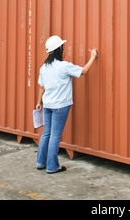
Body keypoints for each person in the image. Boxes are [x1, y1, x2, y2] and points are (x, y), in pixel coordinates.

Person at [36, 35, 98, 173]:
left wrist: (39, 102)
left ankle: (41, 162)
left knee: (46, 133)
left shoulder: (43, 68)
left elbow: (42, 87)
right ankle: (52, 166)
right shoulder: (64, 66)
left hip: (47, 105)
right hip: (60, 106)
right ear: (59, 50)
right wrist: (93, 57)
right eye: (63, 48)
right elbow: (84, 71)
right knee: (55, 135)